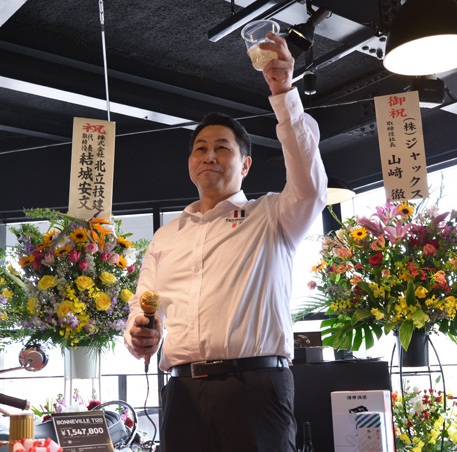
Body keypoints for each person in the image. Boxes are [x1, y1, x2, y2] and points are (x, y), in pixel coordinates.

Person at [124, 32, 327, 452]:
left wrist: (284, 91)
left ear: (246, 163)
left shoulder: (272, 215)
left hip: (254, 388)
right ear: (190, 163)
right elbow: (143, 306)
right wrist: (138, 335)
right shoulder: (165, 237)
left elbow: (309, 184)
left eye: (222, 148)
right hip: (181, 392)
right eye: (200, 149)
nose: (209, 156)